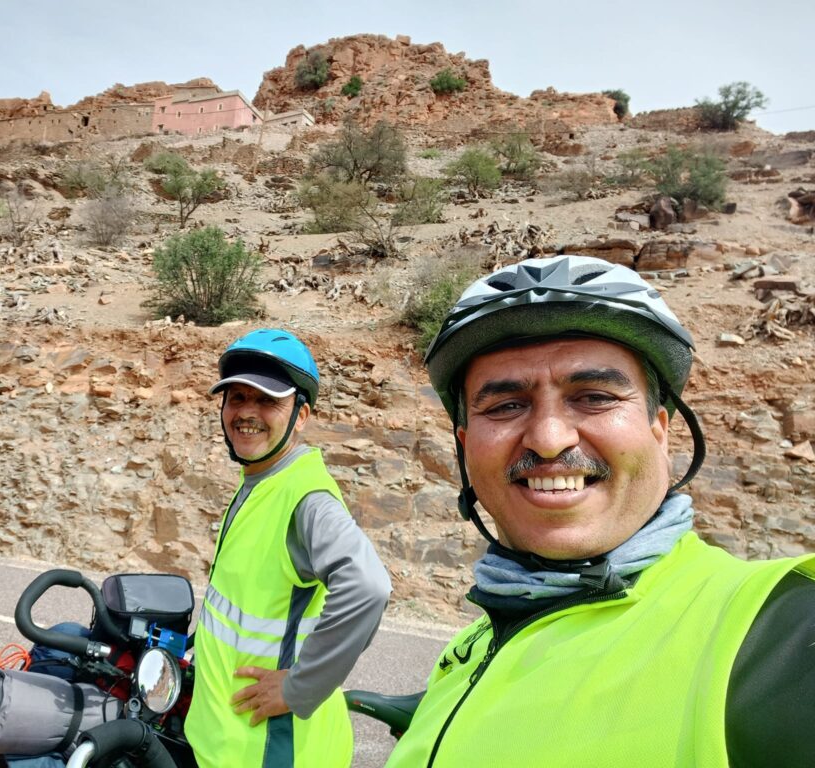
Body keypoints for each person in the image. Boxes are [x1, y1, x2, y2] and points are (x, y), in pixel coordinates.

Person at [386, 255, 815, 767]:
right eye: (505, 406)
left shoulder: (779, 630)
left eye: (594, 397)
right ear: (465, 447)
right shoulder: (475, 644)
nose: (548, 440)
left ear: (660, 431)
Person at [185, 328, 391, 768]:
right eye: (237, 398)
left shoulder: (305, 497)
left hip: (271, 751)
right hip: (226, 742)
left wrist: (299, 688)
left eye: (267, 400)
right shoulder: (261, 480)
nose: (247, 412)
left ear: (300, 415)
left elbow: (368, 587)